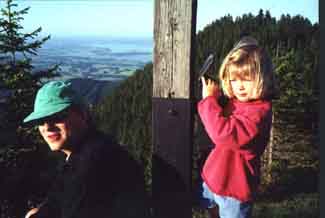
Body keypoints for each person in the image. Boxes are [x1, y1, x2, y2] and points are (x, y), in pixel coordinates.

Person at [23, 80, 149, 218]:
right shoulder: (83, 151)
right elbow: (57, 199)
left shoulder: (93, 162)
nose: (47, 127)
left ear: (82, 114)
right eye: (40, 121)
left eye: (57, 116)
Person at [197, 36, 278, 218]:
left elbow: (223, 133)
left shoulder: (259, 113)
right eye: (234, 79)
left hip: (235, 190)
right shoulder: (237, 102)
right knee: (211, 210)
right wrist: (215, 99)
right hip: (214, 178)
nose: (239, 86)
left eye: (246, 79)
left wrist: (209, 100)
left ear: (261, 78)